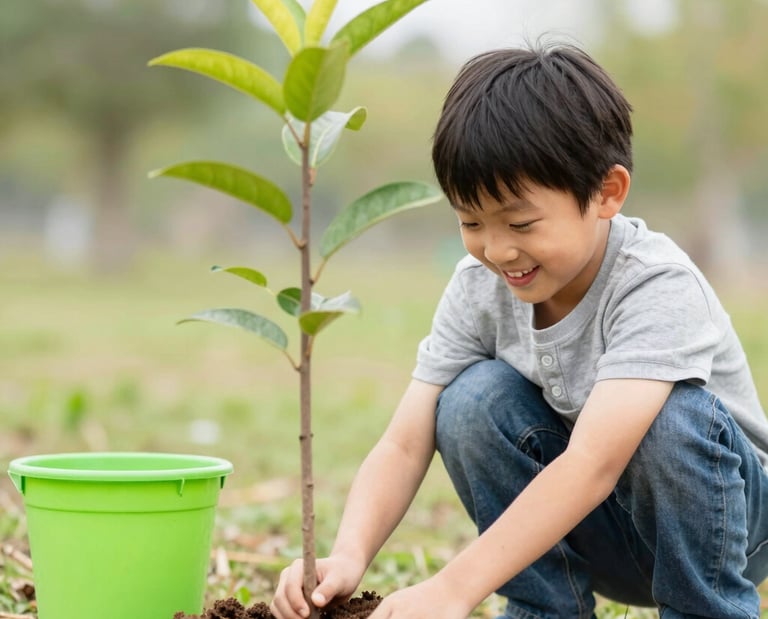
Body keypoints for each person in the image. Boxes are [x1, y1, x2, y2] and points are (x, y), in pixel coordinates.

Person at [270, 42, 768, 619]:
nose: (498, 249)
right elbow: (404, 442)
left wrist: (452, 589)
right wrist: (348, 554)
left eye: (521, 222)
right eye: (471, 221)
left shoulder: (656, 285)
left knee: (667, 417)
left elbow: (592, 463)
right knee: (467, 401)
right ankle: (543, 608)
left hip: (726, 530)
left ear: (607, 193)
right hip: (603, 531)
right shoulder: (478, 286)